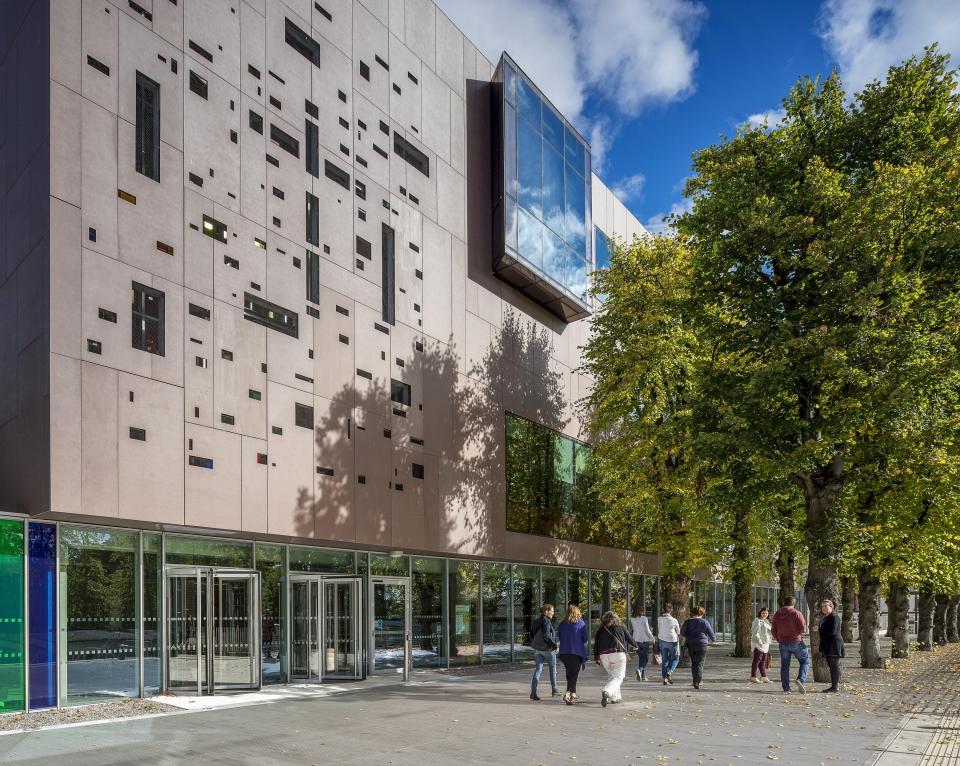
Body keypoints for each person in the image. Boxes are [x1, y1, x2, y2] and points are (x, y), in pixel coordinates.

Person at [594, 610, 636, 707]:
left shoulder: (600, 630)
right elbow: (629, 638)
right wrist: (635, 645)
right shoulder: (620, 627)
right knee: (618, 677)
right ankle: (607, 691)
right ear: (616, 618)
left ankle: (615, 698)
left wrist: (597, 658)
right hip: (618, 654)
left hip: (604, 656)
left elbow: (596, 645)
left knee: (612, 676)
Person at [771, 595, 810, 694]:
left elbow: (773, 630)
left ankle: (786, 688)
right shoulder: (796, 613)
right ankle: (800, 679)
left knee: (784, 666)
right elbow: (803, 628)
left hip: (783, 643)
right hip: (796, 641)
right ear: (793, 603)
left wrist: (778, 639)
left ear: (784, 603)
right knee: (805, 661)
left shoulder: (777, 614)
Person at [557, 604, 589, 705]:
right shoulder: (581, 623)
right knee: (574, 674)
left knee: (569, 673)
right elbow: (585, 639)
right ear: (577, 612)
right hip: (576, 652)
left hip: (564, 652)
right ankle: (567, 694)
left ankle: (573, 693)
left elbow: (560, 637)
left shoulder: (562, 624)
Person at [679, 605, 716, 690]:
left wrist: (682, 645)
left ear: (692, 613)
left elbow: (682, 633)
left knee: (694, 663)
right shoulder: (705, 622)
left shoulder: (687, 622)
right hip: (702, 644)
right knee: (700, 663)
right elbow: (711, 633)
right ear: (702, 613)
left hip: (690, 644)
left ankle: (694, 680)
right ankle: (697, 681)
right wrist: (713, 639)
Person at [529, 603, 559, 701]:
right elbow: (547, 636)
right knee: (553, 669)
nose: (553, 613)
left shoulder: (536, 621)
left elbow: (531, 634)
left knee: (538, 670)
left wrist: (536, 645)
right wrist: (554, 646)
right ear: (546, 611)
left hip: (538, 650)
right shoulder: (546, 621)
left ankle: (533, 692)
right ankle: (554, 690)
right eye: (552, 611)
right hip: (548, 649)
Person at [818, 599, 844, 692]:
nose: (824, 608)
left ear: (831, 607)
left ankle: (835, 686)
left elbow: (832, 631)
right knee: (832, 665)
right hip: (828, 645)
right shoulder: (825, 617)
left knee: (834, 665)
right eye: (822, 606)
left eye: (826, 606)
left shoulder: (834, 617)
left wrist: (819, 629)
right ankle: (834, 685)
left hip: (833, 645)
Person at [657, 603, 681, 685]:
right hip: (672, 641)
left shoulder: (659, 619)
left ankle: (665, 678)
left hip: (662, 640)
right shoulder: (674, 620)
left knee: (665, 660)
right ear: (671, 610)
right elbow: (678, 631)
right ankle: (670, 672)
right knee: (676, 658)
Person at [630, 605, 656, 681]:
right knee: (646, 659)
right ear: (641, 610)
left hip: (636, 641)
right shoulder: (644, 618)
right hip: (644, 640)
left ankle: (643, 676)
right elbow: (647, 630)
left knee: (641, 658)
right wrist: (652, 638)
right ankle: (640, 670)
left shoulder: (632, 619)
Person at [750, 607, 773, 684]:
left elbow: (769, 631)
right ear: (760, 613)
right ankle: (753, 677)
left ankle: (763, 677)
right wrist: (759, 641)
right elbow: (755, 632)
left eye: (766, 613)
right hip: (759, 643)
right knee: (757, 660)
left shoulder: (766, 621)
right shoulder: (757, 621)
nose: (765, 614)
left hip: (766, 643)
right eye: (763, 613)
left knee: (763, 660)